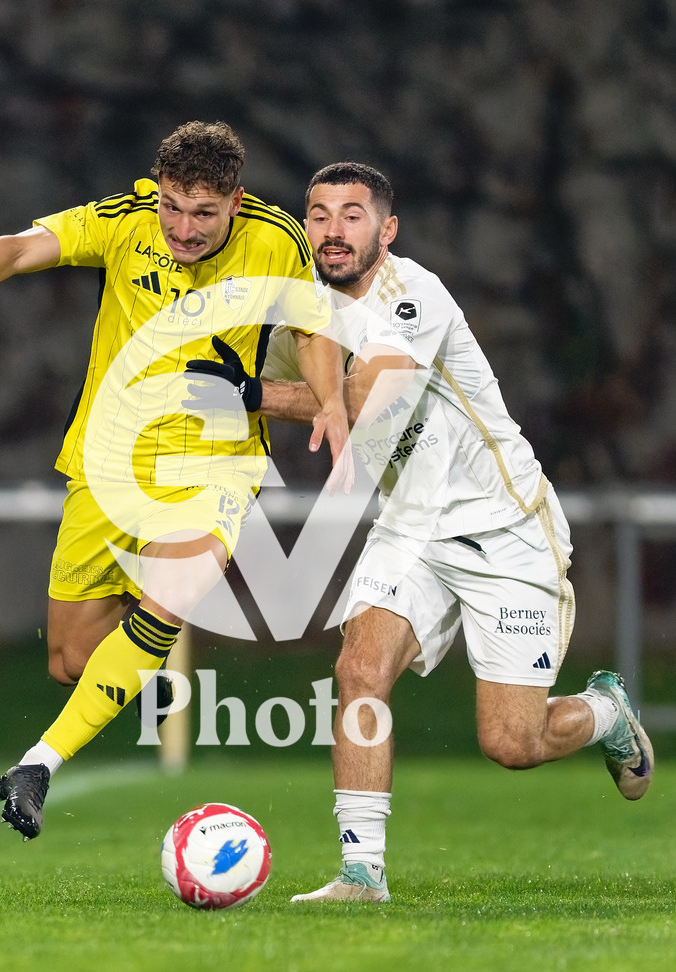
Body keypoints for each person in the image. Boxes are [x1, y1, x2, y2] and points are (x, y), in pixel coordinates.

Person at [187, 161, 654, 903]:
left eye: (351, 214)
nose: (332, 230)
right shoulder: (302, 315)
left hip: (503, 529)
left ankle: (605, 714)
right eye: (317, 214)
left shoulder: (413, 295)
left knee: (511, 743)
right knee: (358, 672)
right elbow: (274, 390)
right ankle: (360, 872)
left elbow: (363, 397)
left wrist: (242, 392)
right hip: (409, 527)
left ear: (385, 229)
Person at [0, 121, 348, 840]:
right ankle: (144, 662)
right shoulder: (125, 222)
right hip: (106, 464)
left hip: (211, 463)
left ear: (235, 200)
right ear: (156, 191)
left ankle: (37, 764)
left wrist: (330, 405)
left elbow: (313, 331)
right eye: (171, 205)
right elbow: (17, 248)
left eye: (202, 213)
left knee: (168, 595)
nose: (182, 228)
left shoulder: (276, 239)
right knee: (73, 660)